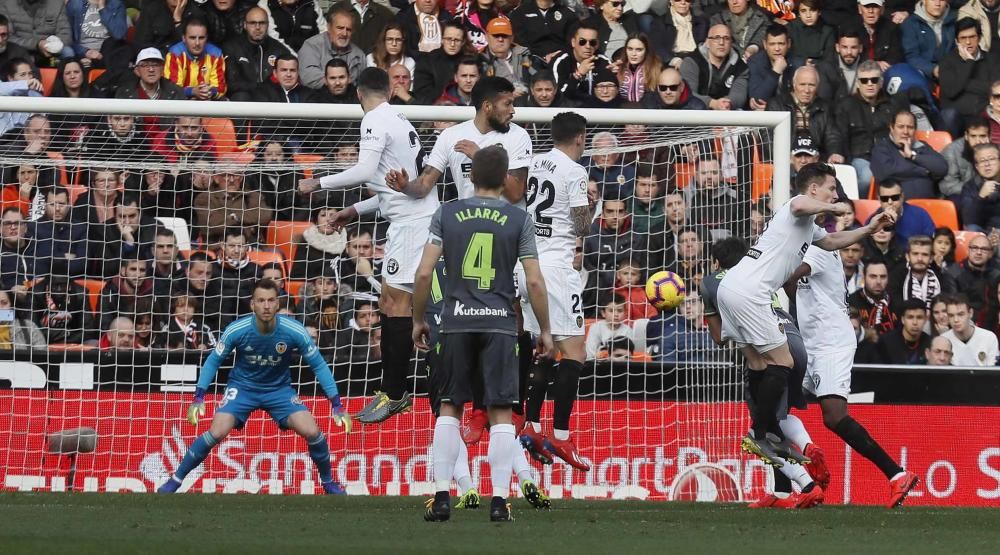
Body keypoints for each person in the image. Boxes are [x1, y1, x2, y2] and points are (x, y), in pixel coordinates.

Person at [718, 163, 895, 467]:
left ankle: (769, 430)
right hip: (750, 294)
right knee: (783, 362)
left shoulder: (807, 227)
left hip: (731, 288)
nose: (835, 193)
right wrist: (836, 207)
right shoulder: (795, 207)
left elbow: (831, 242)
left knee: (760, 364)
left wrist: (868, 229)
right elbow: (799, 203)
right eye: (830, 188)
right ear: (815, 189)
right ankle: (761, 433)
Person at [412, 145, 553, 522]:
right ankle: (499, 501)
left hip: (456, 321)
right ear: (506, 179)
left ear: (470, 175)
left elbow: (424, 273)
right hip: (499, 324)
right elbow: (535, 282)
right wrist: (546, 330)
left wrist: (417, 320)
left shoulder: (447, 213)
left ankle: (442, 496)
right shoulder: (518, 218)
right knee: (501, 412)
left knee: (449, 408)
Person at [297, 67, 440, 424]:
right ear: (390, 90)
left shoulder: (374, 119)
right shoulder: (400, 118)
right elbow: (390, 186)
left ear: (358, 94)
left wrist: (318, 183)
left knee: (395, 305)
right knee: (390, 302)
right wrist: (355, 209)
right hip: (411, 220)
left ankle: (394, 393)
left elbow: (363, 171)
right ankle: (396, 390)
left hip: (412, 226)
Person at [157, 279, 352, 495]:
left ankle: (328, 483)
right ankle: (175, 480)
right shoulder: (237, 330)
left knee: (313, 432)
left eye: (271, 300)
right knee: (216, 431)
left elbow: (319, 365)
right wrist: (199, 396)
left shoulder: (294, 330)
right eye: (261, 301)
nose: (266, 306)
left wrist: (336, 403)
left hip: (279, 390)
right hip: (243, 388)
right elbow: (213, 361)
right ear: (252, 304)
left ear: (278, 304)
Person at [789, 238, 920, 508]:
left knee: (835, 417)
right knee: (774, 409)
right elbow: (793, 289)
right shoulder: (797, 248)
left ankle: (897, 474)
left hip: (831, 343)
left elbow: (789, 276)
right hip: (810, 342)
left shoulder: (819, 247)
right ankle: (793, 484)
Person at [701, 236, 827, 509]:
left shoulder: (711, 281)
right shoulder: (758, 273)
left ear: (715, 262)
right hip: (795, 342)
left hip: (768, 355)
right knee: (779, 418)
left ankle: (807, 482)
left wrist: (709, 314)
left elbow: (719, 338)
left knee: (760, 432)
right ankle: (783, 490)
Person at [509, 113, 593, 471]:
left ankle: (532, 425)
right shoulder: (575, 172)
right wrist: (597, 203)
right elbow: (582, 226)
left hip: (526, 264)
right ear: (579, 137)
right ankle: (560, 433)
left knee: (542, 348)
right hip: (557, 269)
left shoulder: (534, 162)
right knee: (573, 353)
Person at [222, 6, 293, 102]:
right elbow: (231, 83)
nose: (258, 27)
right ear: (245, 25)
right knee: (240, 96)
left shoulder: (279, 50)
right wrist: (259, 87)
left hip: (271, 100)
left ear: (268, 25)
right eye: (253, 23)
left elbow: (287, 82)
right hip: (244, 100)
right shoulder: (232, 47)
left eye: (262, 23)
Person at [298, 7, 364, 89]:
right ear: (329, 27)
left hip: (349, 100)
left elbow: (363, 85)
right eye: (340, 28)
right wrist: (343, 81)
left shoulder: (359, 54)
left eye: (349, 30)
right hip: (317, 98)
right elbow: (308, 78)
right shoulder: (311, 46)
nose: (344, 33)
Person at [165, 17, 227, 100]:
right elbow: (172, 89)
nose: (197, 43)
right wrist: (192, 91)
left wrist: (209, 91)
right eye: (192, 38)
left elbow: (220, 88)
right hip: (182, 104)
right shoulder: (175, 54)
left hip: (209, 101)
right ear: (184, 38)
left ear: (207, 38)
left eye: (201, 38)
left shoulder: (215, 54)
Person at [551, 22, 613, 104]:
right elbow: (558, 97)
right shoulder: (561, 61)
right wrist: (578, 75)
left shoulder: (603, 61)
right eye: (582, 41)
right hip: (570, 110)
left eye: (592, 42)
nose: (588, 46)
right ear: (573, 42)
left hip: (597, 110)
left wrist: (617, 77)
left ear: (597, 44)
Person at [940, 292, 1000, 366]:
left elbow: (993, 373)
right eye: (951, 315)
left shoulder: (989, 338)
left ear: (970, 313)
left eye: (960, 314)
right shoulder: (943, 340)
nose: (956, 320)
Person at [877, 298, 932, 364]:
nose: (915, 322)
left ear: (925, 319)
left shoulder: (931, 344)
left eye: (919, 317)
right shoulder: (886, 342)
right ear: (903, 319)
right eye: (910, 317)